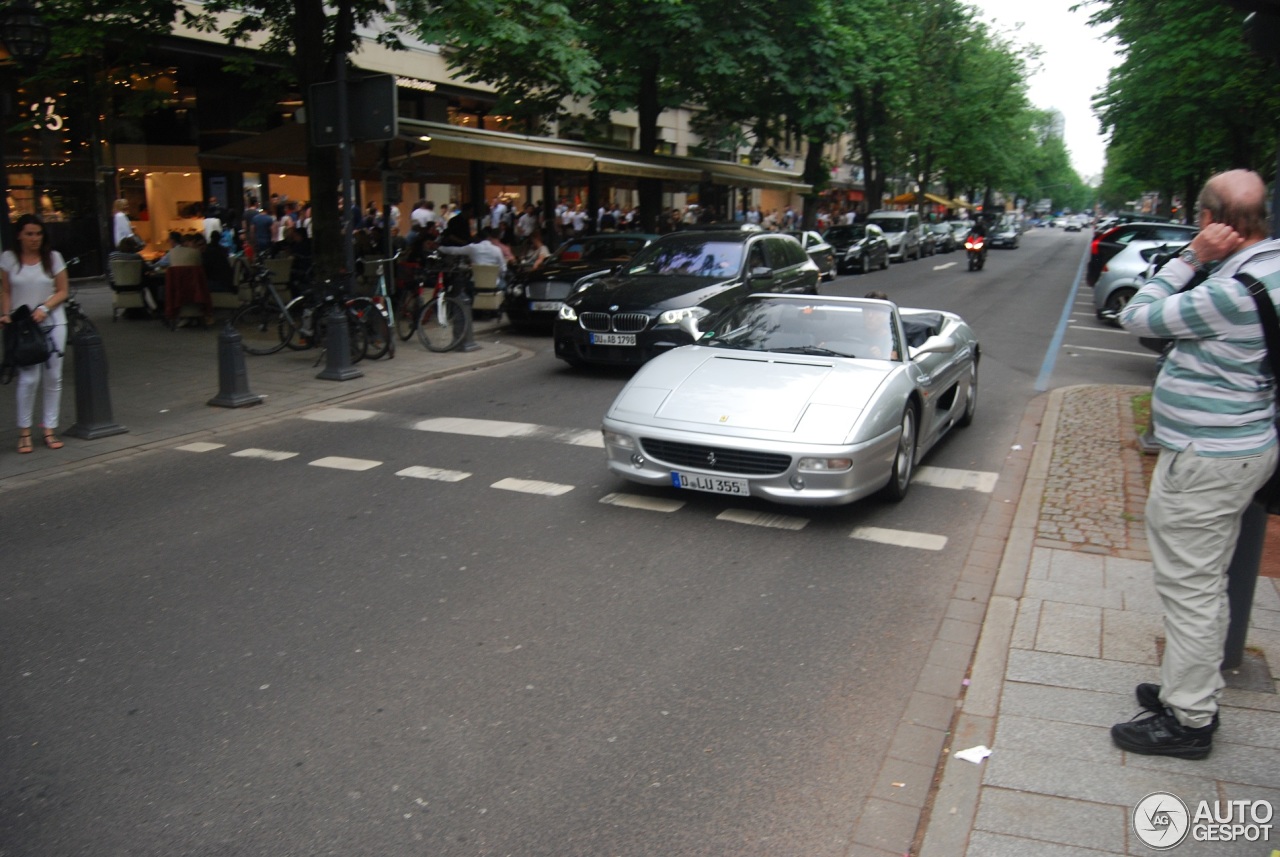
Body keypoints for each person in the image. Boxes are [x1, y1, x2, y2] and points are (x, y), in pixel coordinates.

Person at [1113, 169, 1280, 759]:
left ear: (1210, 221)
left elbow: (1135, 315)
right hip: (1245, 445)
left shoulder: (1232, 293)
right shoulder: (1272, 266)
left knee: (1192, 588)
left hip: (1207, 457)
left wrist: (1188, 257)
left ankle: (1189, 719)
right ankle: (1191, 685)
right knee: (1203, 582)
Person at [0, 215, 70, 454]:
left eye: (38, 234)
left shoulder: (53, 258)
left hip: (53, 322)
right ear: (19, 234)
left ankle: (49, 428)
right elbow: (6, 290)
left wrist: (45, 307)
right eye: (29, 234)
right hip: (23, 326)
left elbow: (63, 291)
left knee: (53, 377)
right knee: (29, 378)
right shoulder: (9, 259)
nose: (34, 239)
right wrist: (5, 314)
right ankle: (24, 432)